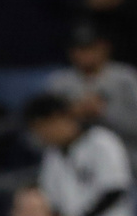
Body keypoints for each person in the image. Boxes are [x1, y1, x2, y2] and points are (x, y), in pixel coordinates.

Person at [25, 93, 133, 216]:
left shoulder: (102, 142)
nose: (39, 136)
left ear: (55, 119)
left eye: (40, 129)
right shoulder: (52, 156)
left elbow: (116, 190)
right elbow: (49, 198)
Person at [47, 21, 137, 168]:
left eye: (89, 48)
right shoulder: (60, 84)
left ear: (104, 48)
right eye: (78, 49)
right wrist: (71, 115)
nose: (83, 54)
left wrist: (103, 111)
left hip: (127, 161)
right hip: (77, 166)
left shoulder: (125, 79)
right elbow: (38, 134)